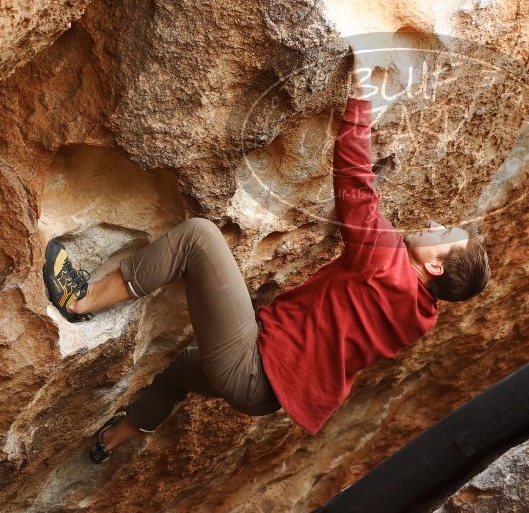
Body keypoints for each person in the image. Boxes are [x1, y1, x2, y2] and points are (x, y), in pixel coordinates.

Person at [42, 45, 491, 464]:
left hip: (250, 364)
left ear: (434, 265)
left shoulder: (388, 265)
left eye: (444, 234)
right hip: (262, 398)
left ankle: (80, 300)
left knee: (198, 237)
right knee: (181, 372)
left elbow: (356, 183)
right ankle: (109, 443)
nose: (434, 225)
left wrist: (360, 95)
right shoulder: (419, 314)